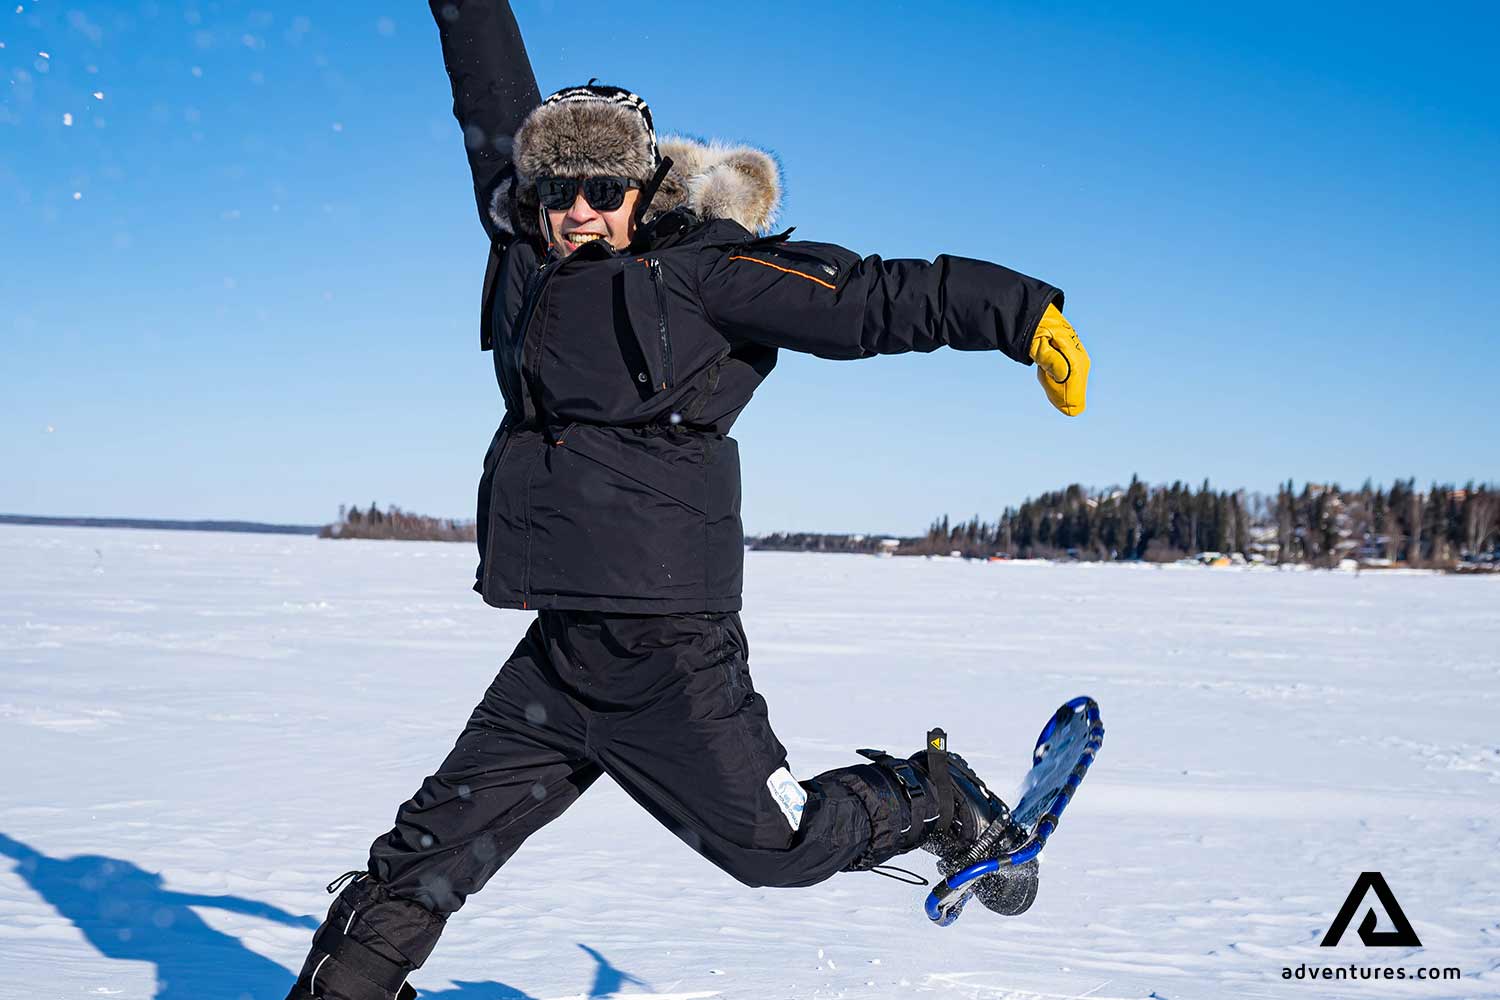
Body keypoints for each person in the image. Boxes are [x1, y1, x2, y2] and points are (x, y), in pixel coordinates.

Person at [285, 3, 1091, 998]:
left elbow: (870, 298)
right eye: (559, 190)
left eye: (603, 190)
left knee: (780, 846)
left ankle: (934, 799)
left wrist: (1023, 314)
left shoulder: (704, 275)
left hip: (670, 650)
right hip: (561, 653)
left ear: (641, 191)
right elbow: (490, 95)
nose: (579, 210)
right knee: (425, 854)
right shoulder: (524, 250)